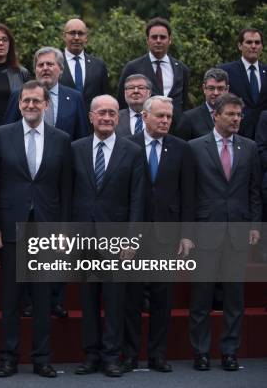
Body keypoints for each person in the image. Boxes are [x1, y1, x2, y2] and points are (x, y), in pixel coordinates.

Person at [0, 80, 73, 378]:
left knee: (42, 299)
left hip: (47, 229)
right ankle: (8, 358)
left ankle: (42, 359)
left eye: (36, 101)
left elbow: (66, 190)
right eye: (26, 101)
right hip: (11, 227)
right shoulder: (2, 135)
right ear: (20, 103)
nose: (30, 106)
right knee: (10, 299)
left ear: (46, 104)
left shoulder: (62, 139)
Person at [71, 94, 145, 378]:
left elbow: (138, 200)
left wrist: (131, 239)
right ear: (91, 116)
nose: (107, 117)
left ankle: (112, 356)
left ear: (119, 117)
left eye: (113, 113)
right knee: (88, 301)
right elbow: (68, 194)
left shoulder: (132, 150)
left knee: (115, 301)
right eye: (102, 112)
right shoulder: (75, 149)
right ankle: (91, 355)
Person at [188, 93, 261, 372]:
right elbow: (190, 193)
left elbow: (254, 190)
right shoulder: (195, 147)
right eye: (230, 114)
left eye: (239, 115)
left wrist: (254, 225)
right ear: (215, 116)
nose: (236, 119)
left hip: (238, 231)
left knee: (234, 298)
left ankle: (229, 352)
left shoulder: (250, 147)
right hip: (205, 231)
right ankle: (201, 352)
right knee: (201, 297)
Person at [122, 96, 195, 373]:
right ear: (145, 117)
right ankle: (130, 355)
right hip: (134, 234)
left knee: (162, 300)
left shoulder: (181, 149)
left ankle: (157, 355)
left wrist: (187, 234)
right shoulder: (128, 146)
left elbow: (188, 195)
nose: (165, 121)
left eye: (169, 117)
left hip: (167, 234)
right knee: (131, 298)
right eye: (160, 116)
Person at [117, 17, 189, 130]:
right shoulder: (133, 67)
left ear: (170, 40)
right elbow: (122, 101)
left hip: (176, 131)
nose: (158, 41)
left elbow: (184, 103)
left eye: (163, 37)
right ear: (147, 40)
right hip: (144, 130)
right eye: (154, 37)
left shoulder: (181, 68)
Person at [4, 47, 88, 140]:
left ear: (61, 69)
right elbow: (8, 132)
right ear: (35, 70)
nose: (45, 68)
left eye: (50, 64)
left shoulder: (75, 97)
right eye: (40, 65)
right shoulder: (18, 94)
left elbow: (82, 138)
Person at [219, 28, 266, 139]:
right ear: (240, 46)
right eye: (249, 42)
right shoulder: (226, 71)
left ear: (262, 47)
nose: (253, 46)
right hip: (236, 135)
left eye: (257, 43)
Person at [60, 18, 109, 111]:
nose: (77, 37)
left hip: (91, 123)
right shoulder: (55, 64)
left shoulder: (99, 65)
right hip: (63, 123)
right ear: (64, 36)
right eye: (72, 33)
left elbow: (105, 97)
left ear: (86, 37)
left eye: (81, 33)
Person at [177, 68, 230, 141]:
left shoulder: (236, 117)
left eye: (220, 88)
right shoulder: (189, 119)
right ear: (204, 88)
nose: (216, 93)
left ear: (227, 89)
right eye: (211, 88)